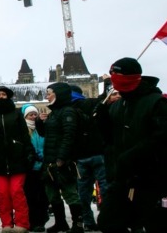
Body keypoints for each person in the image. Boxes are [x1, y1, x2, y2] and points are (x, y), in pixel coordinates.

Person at [95, 57, 167, 233]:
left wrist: (133, 155)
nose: (114, 78)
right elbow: (110, 139)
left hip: (151, 177)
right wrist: (102, 119)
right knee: (108, 221)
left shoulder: (156, 103)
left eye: (117, 74)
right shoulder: (118, 105)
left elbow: (162, 138)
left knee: (152, 223)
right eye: (112, 74)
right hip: (122, 177)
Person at [0, 86, 33, 233]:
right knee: (3, 194)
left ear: (8, 96)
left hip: (17, 158)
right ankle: (7, 225)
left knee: (17, 192)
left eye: (4, 94)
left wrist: (29, 153)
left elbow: (24, 135)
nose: (1, 96)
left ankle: (22, 224)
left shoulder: (16, 113)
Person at [36, 82, 84, 233]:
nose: (47, 96)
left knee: (69, 192)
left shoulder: (68, 112)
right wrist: (39, 122)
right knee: (52, 193)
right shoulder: (54, 113)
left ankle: (78, 224)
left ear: (58, 94)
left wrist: (62, 158)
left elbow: (69, 136)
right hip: (49, 160)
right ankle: (60, 222)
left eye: (49, 93)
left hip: (62, 160)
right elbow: (45, 134)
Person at [69, 84, 109, 231]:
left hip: (81, 156)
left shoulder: (68, 110)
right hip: (98, 152)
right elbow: (106, 97)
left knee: (83, 192)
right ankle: (106, 219)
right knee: (104, 189)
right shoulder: (92, 103)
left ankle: (88, 221)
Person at [22, 104, 49, 232]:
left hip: (43, 166)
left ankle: (41, 221)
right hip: (30, 168)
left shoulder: (41, 128)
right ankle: (33, 221)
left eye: (34, 114)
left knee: (43, 196)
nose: (33, 117)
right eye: (30, 115)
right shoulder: (22, 130)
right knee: (31, 196)